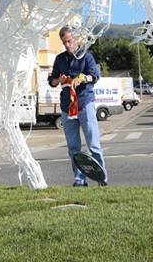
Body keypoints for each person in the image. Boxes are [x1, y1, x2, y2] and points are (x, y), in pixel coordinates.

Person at [48, 25, 107, 187]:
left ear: (76, 39)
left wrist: (83, 78)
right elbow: (52, 81)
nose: (67, 45)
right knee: (73, 147)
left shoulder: (87, 57)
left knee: (93, 144)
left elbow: (95, 76)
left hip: (84, 103)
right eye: (64, 42)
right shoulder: (60, 59)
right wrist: (58, 80)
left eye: (69, 41)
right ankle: (79, 180)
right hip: (67, 107)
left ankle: (101, 179)